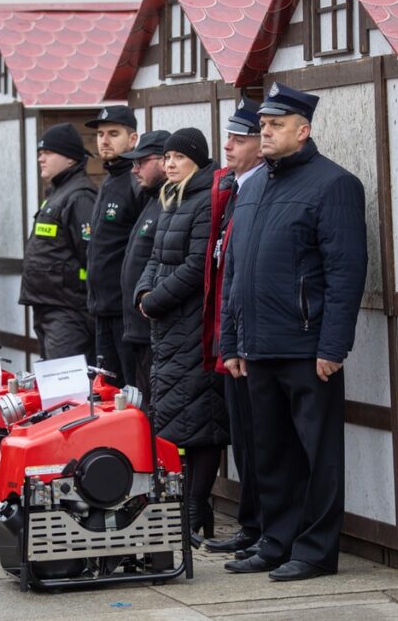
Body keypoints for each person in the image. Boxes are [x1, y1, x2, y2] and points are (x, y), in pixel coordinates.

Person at [220, 83, 367, 581]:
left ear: (303, 130)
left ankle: (316, 551)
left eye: (276, 124)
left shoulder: (333, 185)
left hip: (308, 348)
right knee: (272, 453)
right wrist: (231, 341)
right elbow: (235, 272)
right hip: (257, 346)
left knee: (318, 455)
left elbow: (347, 273)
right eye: (262, 124)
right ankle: (276, 542)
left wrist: (333, 345)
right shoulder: (255, 186)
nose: (265, 131)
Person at [134, 127, 228, 540]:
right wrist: (143, 291)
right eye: (167, 157)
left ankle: (194, 508)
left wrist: (155, 301)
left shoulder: (204, 200)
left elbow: (197, 265)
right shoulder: (171, 199)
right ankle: (182, 506)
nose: (169, 164)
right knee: (174, 419)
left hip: (192, 325)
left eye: (178, 157)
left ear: (197, 160)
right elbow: (155, 257)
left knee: (201, 420)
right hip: (168, 328)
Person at [202, 99, 266, 557]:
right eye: (229, 136)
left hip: (251, 337)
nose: (228, 145)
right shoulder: (229, 188)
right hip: (228, 335)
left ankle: (264, 528)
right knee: (244, 442)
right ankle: (252, 525)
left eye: (239, 138)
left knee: (262, 442)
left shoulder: (259, 188)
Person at [18, 123, 97, 362]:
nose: (41, 158)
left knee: (66, 384)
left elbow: (90, 255)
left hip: (68, 311)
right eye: (40, 153)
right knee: (52, 381)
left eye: (48, 153)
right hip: (49, 306)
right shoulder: (58, 193)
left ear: (71, 159)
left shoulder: (79, 196)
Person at [84, 106, 144, 387]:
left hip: (125, 314)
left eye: (113, 133)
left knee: (130, 393)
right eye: (99, 134)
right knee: (107, 394)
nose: (104, 140)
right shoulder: (108, 181)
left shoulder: (136, 182)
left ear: (133, 139)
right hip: (102, 310)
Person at [118, 129, 170, 397]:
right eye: (133, 163)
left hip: (152, 331)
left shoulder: (170, 203)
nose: (135, 169)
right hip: (135, 330)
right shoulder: (151, 200)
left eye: (142, 162)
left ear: (165, 160)